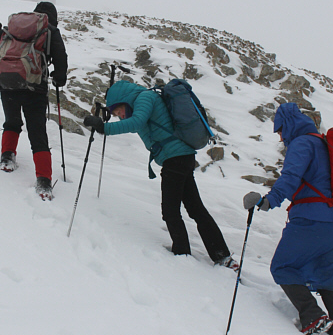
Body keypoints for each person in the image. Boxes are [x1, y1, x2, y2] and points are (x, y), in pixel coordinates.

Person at [83, 79, 233, 267]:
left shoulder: (144, 98)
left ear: (123, 100)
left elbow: (135, 123)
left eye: (117, 110)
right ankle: (222, 256)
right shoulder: (142, 101)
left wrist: (104, 128)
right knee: (195, 209)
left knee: (170, 210)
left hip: (175, 159)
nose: (119, 115)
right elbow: (133, 122)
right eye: (115, 113)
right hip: (180, 157)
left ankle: (182, 255)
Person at [244, 102, 333, 335]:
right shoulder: (324, 144)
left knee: (282, 267)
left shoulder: (302, 144)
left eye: (280, 130)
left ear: (288, 125)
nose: (281, 137)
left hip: (312, 219)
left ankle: (312, 317)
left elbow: (291, 177)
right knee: (331, 276)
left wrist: (269, 200)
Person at [0, 2, 67, 199]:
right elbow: (61, 58)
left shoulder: (13, 28)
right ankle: (44, 181)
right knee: (37, 131)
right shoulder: (50, 31)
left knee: (12, 121)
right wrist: (59, 78)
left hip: (8, 83)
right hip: (35, 88)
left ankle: (7, 158)